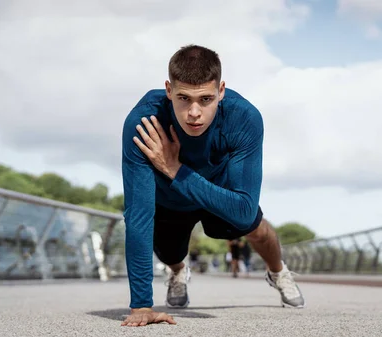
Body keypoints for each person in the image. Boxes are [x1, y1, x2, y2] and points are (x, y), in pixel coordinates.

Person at [120, 44, 305, 328]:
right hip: (171, 201)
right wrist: (141, 305)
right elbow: (138, 216)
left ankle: (278, 272)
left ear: (221, 91)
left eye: (205, 99)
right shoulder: (144, 122)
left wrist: (174, 168)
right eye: (184, 98)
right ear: (168, 90)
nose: (194, 112)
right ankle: (178, 271)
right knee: (169, 252)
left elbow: (243, 209)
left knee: (256, 227)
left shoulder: (244, 118)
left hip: (221, 193)